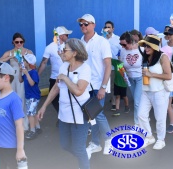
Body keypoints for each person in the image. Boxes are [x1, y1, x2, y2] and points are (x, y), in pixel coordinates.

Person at [38, 39, 91, 169]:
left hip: (79, 116)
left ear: (74, 52)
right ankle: (83, 155)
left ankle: (83, 162)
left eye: (65, 50)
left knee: (78, 149)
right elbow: (56, 88)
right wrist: (44, 106)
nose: (62, 52)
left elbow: (78, 91)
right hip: (64, 115)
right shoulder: (63, 66)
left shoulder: (85, 68)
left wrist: (66, 78)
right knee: (65, 145)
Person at [77, 14, 112, 158]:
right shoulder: (80, 41)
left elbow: (108, 65)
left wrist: (103, 87)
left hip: (98, 84)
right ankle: (96, 143)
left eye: (86, 24)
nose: (83, 26)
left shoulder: (102, 42)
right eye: (81, 24)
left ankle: (109, 140)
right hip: (85, 85)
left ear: (94, 25)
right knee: (91, 115)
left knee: (98, 113)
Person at [138, 35, 172, 150]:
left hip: (159, 92)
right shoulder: (145, 57)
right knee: (141, 115)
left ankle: (161, 140)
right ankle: (149, 136)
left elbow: (168, 75)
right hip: (146, 91)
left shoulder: (163, 57)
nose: (146, 48)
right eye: (145, 46)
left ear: (155, 47)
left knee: (160, 117)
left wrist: (151, 75)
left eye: (148, 46)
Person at [0, 32, 33, 131]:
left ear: (23, 42)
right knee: (11, 99)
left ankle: (24, 124)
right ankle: (12, 124)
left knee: (21, 99)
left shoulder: (28, 52)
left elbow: (32, 65)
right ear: (13, 42)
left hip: (22, 76)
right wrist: (10, 57)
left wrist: (23, 62)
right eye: (17, 42)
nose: (19, 44)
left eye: (21, 42)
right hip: (12, 78)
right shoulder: (9, 52)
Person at [38, 26, 71, 119]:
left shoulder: (68, 46)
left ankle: (67, 117)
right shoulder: (50, 47)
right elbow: (44, 62)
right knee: (53, 99)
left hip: (67, 77)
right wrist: (37, 76)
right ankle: (62, 116)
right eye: (66, 35)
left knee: (68, 99)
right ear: (60, 36)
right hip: (54, 78)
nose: (68, 36)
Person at [119, 31, 143, 126]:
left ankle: (137, 123)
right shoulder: (123, 50)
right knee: (138, 100)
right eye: (121, 44)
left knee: (137, 102)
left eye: (124, 44)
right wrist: (123, 74)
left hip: (140, 78)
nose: (123, 46)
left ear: (131, 42)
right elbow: (120, 65)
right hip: (129, 78)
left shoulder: (141, 49)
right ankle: (143, 116)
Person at [19, 54, 42, 140]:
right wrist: (20, 71)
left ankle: (32, 130)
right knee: (33, 113)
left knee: (30, 114)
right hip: (29, 96)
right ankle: (38, 127)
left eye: (24, 61)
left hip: (34, 96)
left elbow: (32, 83)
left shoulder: (33, 72)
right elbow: (20, 80)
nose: (22, 63)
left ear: (28, 63)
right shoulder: (26, 72)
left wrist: (26, 74)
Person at [103, 21, 122, 111]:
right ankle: (112, 100)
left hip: (115, 66)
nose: (107, 28)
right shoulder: (102, 39)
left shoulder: (117, 39)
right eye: (106, 27)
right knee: (107, 85)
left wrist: (121, 66)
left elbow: (122, 52)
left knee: (114, 85)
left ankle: (114, 100)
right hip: (104, 66)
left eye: (109, 27)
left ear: (113, 29)